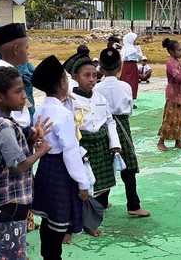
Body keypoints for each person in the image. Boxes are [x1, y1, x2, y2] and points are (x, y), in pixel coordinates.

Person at [0, 66, 51, 260]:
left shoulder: (2, 122)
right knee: (12, 254)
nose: (24, 96)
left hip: (7, 201)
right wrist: (41, 151)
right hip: (10, 202)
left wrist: (29, 142)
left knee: (6, 250)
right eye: (18, 91)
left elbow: (11, 158)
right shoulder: (5, 127)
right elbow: (17, 167)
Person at [31, 55, 91, 260]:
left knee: (48, 219)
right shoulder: (62, 114)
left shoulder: (42, 108)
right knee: (58, 223)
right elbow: (70, 151)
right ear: (63, 83)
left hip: (45, 166)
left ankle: (47, 255)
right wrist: (82, 182)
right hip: (61, 170)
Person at [63, 53, 121, 234]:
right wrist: (79, 151)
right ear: (75, 77)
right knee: (82, 188)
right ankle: (78, 224)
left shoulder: (100, 98)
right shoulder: (69, 101)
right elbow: (68, 129)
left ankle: (93, 219)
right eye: (86, 75)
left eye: (94, 75)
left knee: (102, 188)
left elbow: (109, 121)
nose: (91, 80)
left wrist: (114, 143)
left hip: (101, 147)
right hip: (83, 147)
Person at [95, 47, 151, 217]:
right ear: (120, 67)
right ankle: (133, 205)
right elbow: (128, 109)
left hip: (103, 126)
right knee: (128, 166)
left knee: (105, 163)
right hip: (122, 124)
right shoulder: (125, 86)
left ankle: (101, 202)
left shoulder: (97, 88)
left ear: (101, 69)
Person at [157, 38, 181, 152]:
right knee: (169, 118)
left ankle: (178, 141)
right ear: (171, 51)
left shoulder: (179, 61)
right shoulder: (170, 62)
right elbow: (178, 76)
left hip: (180, 94)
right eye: (179, 50)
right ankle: (161, 141)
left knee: (179, 118)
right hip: (172, 94)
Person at [121, 32, 143, 103]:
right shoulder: (132, 49)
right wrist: (138, 47)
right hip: (132, 66)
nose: (136, 41)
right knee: (132, 82)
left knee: (125, 82)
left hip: (125, 66)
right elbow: (139, 56)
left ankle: (125, 99)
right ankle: (131, 101)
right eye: (135, 39)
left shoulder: (124, 48)